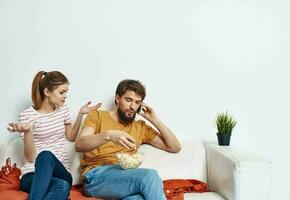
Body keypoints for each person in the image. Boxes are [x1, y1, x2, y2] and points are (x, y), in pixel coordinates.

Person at [75, 79, 181, 200]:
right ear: (117, 98)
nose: (132, 106)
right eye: (128, 100)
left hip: (124, 177)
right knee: (150, 176)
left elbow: (175, 147)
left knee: (138, 198)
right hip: (96, 176)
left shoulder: (140, 127)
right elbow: (79, 144)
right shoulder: (97, 116)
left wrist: (154, 119)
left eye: (137, 102)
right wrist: (109, 135)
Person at [7, 71, 101, 200]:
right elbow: (30, 158)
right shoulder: (26, 116)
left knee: (49, 160)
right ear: (47, 92)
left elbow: (71, 137)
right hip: (32, 175)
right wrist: (28, 131)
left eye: (66, 92)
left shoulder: (63, 110)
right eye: (62, 92)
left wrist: (80, 114)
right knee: (61, 185)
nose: (65, 96)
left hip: (61, 173)